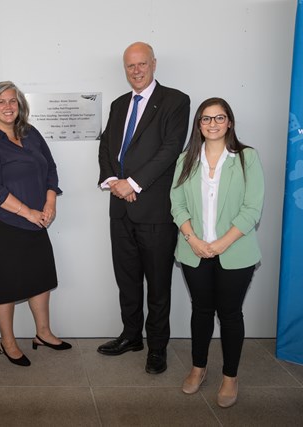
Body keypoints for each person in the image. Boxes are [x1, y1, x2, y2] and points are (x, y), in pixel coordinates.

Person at [97, 42, 190, 374]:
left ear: (154, 63)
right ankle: (131, 335)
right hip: (120, 210)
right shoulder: (120, 104)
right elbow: (106, 146)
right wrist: (112, 181)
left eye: (141, 64)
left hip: (152, 210)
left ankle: (157, 347)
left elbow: (170, 150)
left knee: (158, 284)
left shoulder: (176, 101)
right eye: (129, 66)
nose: (136, 71)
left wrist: (132, 183)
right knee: (127, 280)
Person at [170, 97, 264, 408]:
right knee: (201, 311)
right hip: (194, 250)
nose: (213, 124)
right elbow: (177, 204)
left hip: (234, 252)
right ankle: (198, 368)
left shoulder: (247, 158)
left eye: (219, 118)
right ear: (198, 125)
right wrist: (193, 239)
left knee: (231, 314)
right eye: (206, 119)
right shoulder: (186, 159)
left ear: (230, 122)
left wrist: (222, 243)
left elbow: (252, 208)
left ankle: (230, 376)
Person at [0, 81, 71, 367]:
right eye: (1, 101)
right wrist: (28, 211)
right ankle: (8, 343)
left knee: (39, 278)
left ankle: (43, 333)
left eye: (12, 101)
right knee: (4, 285)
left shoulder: (30, 133)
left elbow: (50, 168)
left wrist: (50, 202)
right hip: (0, 223)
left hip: (36, 220)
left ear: (20, 105)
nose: (7, 106)